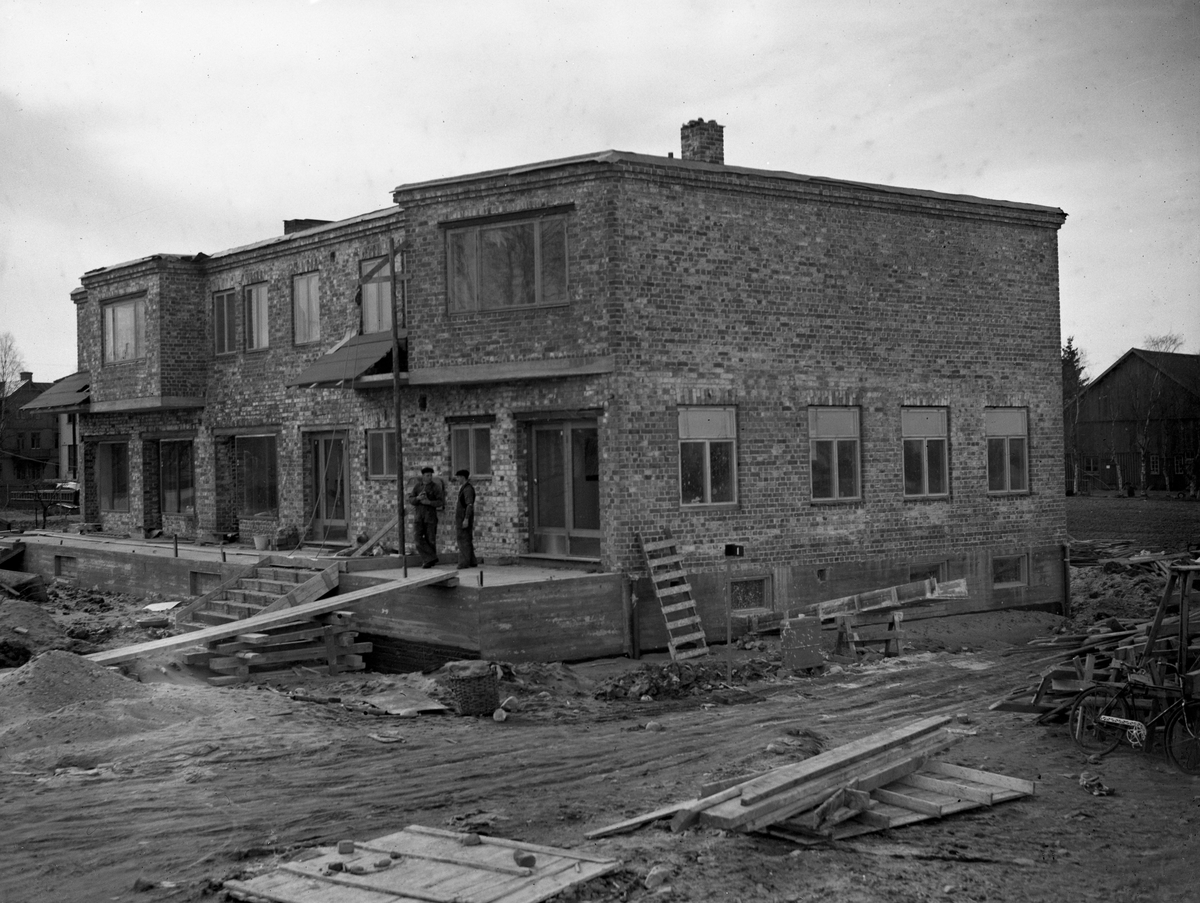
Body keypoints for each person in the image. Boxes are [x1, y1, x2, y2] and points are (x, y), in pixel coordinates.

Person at [409, 466, 443, 568]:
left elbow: (440, 502)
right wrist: (418, 498)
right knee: (417, 538)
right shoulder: (417, 487)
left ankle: (429, 561)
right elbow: (411, 499)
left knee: (430, 539)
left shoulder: (435, 487)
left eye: (430, 475)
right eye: (427, 475)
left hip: (430, 517)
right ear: (423, 476)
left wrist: (429, 502)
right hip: (419, 517)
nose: (429, 477)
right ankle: (431, 557)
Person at [454, 469, 478, 569]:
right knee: (466, 538)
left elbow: (469, 505)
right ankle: (472, 560)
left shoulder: (467, 489)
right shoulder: (464, 488)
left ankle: (463, 562)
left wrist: (466, 518)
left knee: (463, 539)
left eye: (458, 477)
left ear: (462, 477)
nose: (457, 479)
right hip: (462, 517)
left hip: (463, 518)